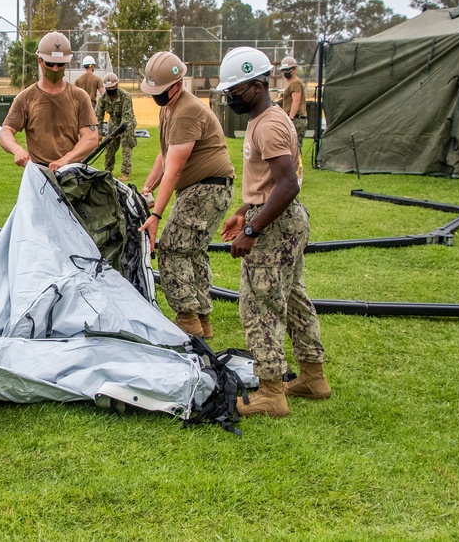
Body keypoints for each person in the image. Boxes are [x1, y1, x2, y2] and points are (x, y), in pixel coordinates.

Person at [217, 46, 330, 418]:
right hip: (280, 218)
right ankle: (313, 377)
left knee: (259, 304)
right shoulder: (262, 118)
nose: (231, 97)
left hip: (277, 225)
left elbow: (287, 185)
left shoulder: (268, 124)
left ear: (257, 85)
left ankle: (270, 391)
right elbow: (268, 184)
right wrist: (243, 211)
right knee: (294, 296)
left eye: (235, 90)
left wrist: (251, 229)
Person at [137, 52, 234, 340]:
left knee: (172, 248)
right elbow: (166, 154)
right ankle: (201, 321)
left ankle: (187, 318)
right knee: (193, 252)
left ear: (177, 85)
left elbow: (175, 169)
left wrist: (156, 216)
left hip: (207, 189)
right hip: (205, 188)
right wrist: (148, 186)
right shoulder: (169, 108)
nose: (156, 96)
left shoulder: (187, 111)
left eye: (160, 91)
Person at [0, 32, 99, 170]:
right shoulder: (26, 98)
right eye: (50, 64)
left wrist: (65, 160)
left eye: (60, 64)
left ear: (67, 62)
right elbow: (5, 132)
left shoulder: (80, 97)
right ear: (39, 61)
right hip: (38, 174)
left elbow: (91, 137)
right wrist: (17, 150)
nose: (55, 69)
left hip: (71, 174)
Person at [94, 71, 137, 182]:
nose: (110, 90)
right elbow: (98, 115)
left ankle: (125, 173)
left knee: (126, 146)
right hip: (113, 122)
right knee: (109, 147)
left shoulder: (125, 96)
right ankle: (108, 171)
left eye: (112, 87)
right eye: (108, 88)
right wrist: (98, 133)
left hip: (127, 123)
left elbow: (126, 117)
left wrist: (117, 133)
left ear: (117, 85)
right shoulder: (103, 98)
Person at [279, 56, 308, 155]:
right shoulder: (291, 83)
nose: (285, 72)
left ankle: (298, 169)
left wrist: (290, 119)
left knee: (295, 147)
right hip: (294, 118)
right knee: (291, 146)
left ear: (294, 69)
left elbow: (296, 101)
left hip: (296, 119)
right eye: (283, 70)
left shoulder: (295, 82)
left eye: (287, 69)